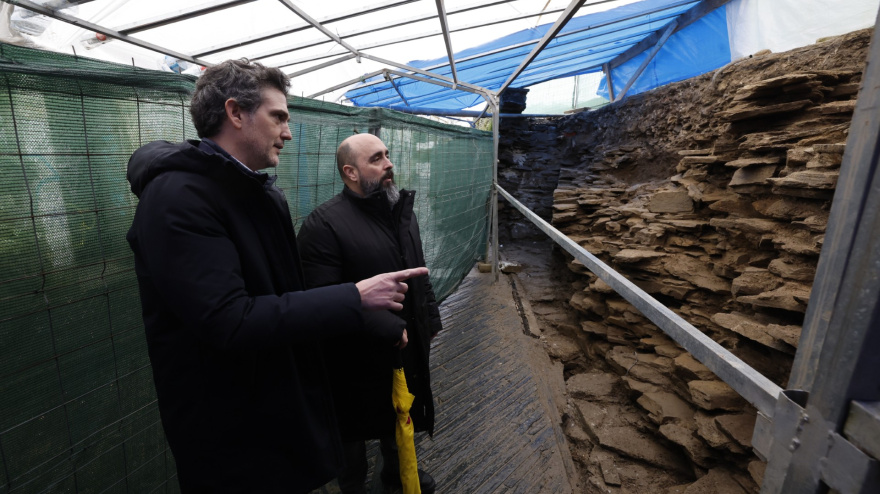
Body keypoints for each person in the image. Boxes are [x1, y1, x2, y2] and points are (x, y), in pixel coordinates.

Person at [125, 59, 425, 493]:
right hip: (232, 428)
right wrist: (354, 297)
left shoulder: (261, 193)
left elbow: (286, 294)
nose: (287, 132)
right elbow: (229, 319)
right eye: (278, 117)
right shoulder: (177, 198)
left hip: (276, 406)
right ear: (235, 113)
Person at [297, 133, 442, 494]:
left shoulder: (401, 212)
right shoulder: (323, 225)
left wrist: (431, 318)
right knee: (352, 437)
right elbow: (320, 299)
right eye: (376, 158)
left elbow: (418, 271)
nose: (388, 163)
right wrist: (385, 325)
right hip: (352, 359)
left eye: (387, 155)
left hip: (404, 348)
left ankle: (397, 475)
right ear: (351, 172)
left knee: (400, 416)